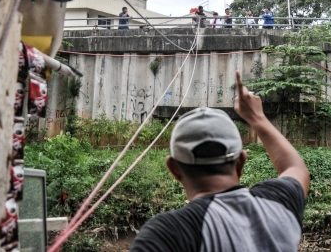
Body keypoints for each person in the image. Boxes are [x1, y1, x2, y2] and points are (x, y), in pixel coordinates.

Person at [130, 71, 310, 252]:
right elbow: (296, 168)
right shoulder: (278, 205)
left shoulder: (166, 235)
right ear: (241, 162)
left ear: (174, 169)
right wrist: (257, 118)